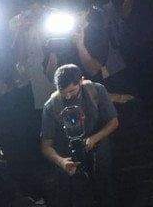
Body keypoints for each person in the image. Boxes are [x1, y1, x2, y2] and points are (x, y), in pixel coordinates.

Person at [40, 63, 120, 207]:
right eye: (63, 92)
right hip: (68, 150)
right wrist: (61, 161)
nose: (68, 96)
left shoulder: (96, 90)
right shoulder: (51, 106)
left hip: (96, 142)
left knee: (104, 168)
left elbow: (113, 122)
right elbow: (46, 146)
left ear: (81, 81)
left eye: (72, 90)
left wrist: (94, 139)